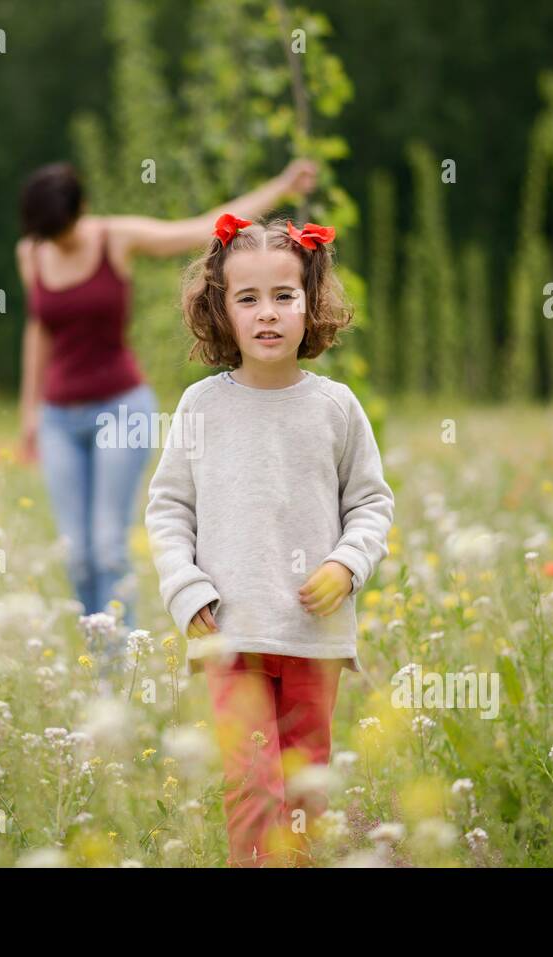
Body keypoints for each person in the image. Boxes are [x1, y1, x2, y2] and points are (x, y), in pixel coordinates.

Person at [144, 213, 395, 865]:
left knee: (307, 783)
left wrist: (347, 562)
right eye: (247, 298)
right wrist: (185, 588)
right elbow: (168, 507)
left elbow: (371, 503)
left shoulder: (336, 407)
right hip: (231, 630)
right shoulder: (202, 406)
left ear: (311, 303)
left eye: (284, 296)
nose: (267, 313)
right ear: (220, 310)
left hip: (314, 635)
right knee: (252, 786)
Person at [15, 160, 318, 674]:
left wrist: (281, 188)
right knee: (77, 552)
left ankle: (122, 672)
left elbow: (201, 228)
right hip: (58, 417)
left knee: (110, 545)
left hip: (121, 407)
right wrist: (29, 412)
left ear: (82, 211)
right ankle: (99, 666)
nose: (60, 245)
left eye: (66, 234)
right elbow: (39, 330)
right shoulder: (32, 252)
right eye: (51, 237)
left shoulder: (116, 239)